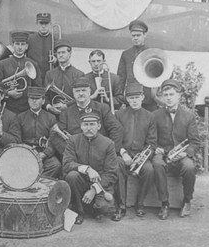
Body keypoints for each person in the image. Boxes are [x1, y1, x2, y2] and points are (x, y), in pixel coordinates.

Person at [152, 79, 200, 220]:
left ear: (178, 96)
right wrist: (156, 148)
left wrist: (186, 153)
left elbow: (195, 142)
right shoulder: (155, 115)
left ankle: (186, 201)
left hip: (181, 155)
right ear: (162, 97)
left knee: (189, 167)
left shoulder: (188, 115)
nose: (168, 97)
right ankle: (164, 203)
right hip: (163, 153)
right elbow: (151, 138)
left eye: (171, 94)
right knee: (157, 164)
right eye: (165, 94)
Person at [63, 108, 118, 225]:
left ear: (99, 126)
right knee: (72, 176)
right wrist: (87, 169)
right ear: (81, 126)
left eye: (92, 124)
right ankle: (80, 211)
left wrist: (94, 189)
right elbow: (67, 164)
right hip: (80, 183)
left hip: (101, 184)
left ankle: (93, 208)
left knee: (105, 208)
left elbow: (111, 173)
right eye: (85, 124)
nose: (88, 128)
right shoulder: (73, 140)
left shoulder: (108, 144)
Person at [112, 83, 157, 221]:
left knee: (149, 170)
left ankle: (140, 203)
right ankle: (121, 206)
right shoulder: (119, 115)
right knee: (117, 166)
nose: (134, 101)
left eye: (137, 97)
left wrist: (141, 158)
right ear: (127, 99)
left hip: (141, 154)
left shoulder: (150, 116)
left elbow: (152, 143)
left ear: (142, 97)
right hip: (122, 153)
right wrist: (123, 152)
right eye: (131, 98)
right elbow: (114, 138)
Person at [55, 77, 123, 158]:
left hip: (100, 154)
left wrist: (111, 152)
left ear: (90, 92)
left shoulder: (102, 108)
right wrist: (69, 153)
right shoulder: (66, 112)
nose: (80, 93)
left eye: (84, 90)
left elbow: (116, 129)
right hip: (76, 156)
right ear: (73, 94)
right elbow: (57, 135)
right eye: (77, 91)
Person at [17, 87, 62, 178]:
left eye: (37, 99)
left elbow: (54, 141)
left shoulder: (50, 118)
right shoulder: (20, 117)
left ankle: (37, 183)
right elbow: (17, 138)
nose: (34, 101)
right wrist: (27, 152)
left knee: (55, 165)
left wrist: (44, 154)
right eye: (31, 98)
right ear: (28, 100)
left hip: (43, 153)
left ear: (43, 101)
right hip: (25, 153)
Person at [0, 31, 42, 114]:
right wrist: (7, 92)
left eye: (23, 44)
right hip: (7, 107)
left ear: (27, 46)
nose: (20, 47)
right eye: (17, 44)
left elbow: (38, 87)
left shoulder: (33, 64)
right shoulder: (2, 64)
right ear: (12, 45)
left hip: (27, 108)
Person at [117, 20, 159, 112]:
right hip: (131, 97)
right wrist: (120, 95)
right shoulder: (126, 54)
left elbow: (159, 76)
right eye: (133, 35)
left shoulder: (152, 52)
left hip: (148, 99)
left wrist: (156, 95)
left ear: (145, 35)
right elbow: (121, 76)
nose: (135, 38)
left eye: (138, 35)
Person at [43, 39, 84, 116]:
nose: (60, 55)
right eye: (58, 53)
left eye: (63, 52)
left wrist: (66, 105)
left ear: (70, 53)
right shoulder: (50, 74)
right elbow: (45, 96)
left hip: (73, 114)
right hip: (53, 115)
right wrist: (49, 107)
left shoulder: (79, 74)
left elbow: (81, 96)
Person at [27, 13, 53, 82]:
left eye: (46, 23)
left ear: (50, 24)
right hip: (33, 77)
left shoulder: (54, 39)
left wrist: (56, 59)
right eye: (41, 23)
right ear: (36, 23)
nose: (43, 26)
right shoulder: (29, 39)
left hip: (50, 78)